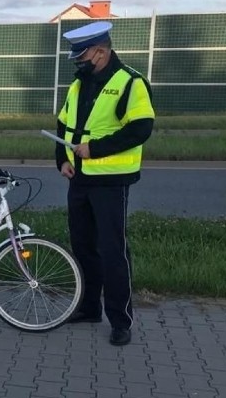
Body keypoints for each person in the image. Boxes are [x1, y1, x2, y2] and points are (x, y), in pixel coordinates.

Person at [55, 21, 155, 347]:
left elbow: (139, 130)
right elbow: (63, 124)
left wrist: (95, 149)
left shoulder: (131, 83)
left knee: (113, 252)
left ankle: (120, 321)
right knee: (83, 248)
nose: (78, 62)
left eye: (81, 56)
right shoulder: (79, 84)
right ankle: (88, 308)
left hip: (111, 182)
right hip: (79, 179)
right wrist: (62, 159)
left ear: (101, 51)